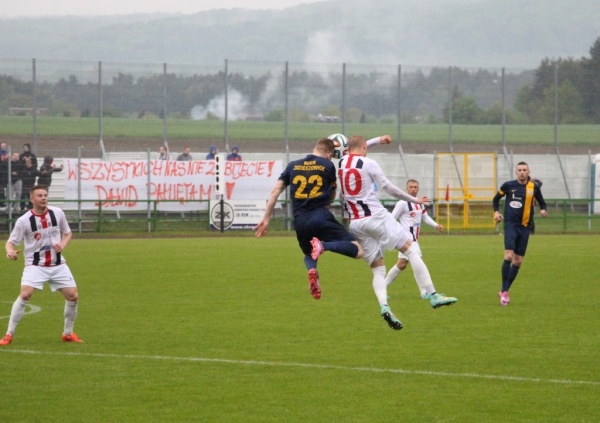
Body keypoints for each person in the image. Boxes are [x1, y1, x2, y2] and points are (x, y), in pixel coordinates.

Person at [333, 135, 457, 330]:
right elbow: (389, 188)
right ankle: (433, 295)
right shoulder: (369, 163)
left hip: (355, 223)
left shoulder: (341, 163)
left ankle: (384, 306)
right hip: (376, 216)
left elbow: (358, 147)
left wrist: (376, 140)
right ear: (364, 147)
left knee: (378, 269)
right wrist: (414, 200)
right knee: (411, 250)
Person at [254, 138, 363, 300]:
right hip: (321, 216)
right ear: (329, 154)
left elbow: (275, 191)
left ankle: (312, 271)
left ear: (315, 148)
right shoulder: (328, 165)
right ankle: (324, 246)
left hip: (300, 221)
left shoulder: (293, 165)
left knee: (308, 253)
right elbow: (333, 192)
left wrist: (266, 218)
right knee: (359, 250)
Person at [1, 185, 84, 346]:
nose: (44, 198)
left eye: (45, 195)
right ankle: (8, 334)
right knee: (25, 295)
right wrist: (9, 251)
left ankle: (68, 333)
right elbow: (10, 242)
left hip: (57, 264)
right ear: (32, 199)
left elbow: (68, 233)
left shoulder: (57, 213)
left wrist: (62, 244)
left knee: (73, 296)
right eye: (40, 195)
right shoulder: (24, 221)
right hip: (35, 264)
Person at [492, 161, 547, 306]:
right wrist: (496, 213)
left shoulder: (533, 187)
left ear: (529, 172)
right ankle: (504, 292)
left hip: (525, 227)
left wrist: (543, 209)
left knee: (518, 261)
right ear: (516, 172)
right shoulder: (508, 186)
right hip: (510, 224)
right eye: (519, 170)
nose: (522, 172)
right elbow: (496, 199)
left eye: (524, 170)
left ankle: (504, 291)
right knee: (509, 256)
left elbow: (542, 202)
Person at [384, 179, 444, 299]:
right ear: (407, 189)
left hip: (414, 240)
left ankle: (382, 288)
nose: (413, 189)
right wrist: (396, 234)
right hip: (407, 241)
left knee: (401, 265)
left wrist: (436, 225)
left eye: (415, 187)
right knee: (419, 263)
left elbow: (425, 218)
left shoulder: (419, 202)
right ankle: (425, 292)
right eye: (411, 187)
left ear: (418, 188)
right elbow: (391, 219)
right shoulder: (402, 203)